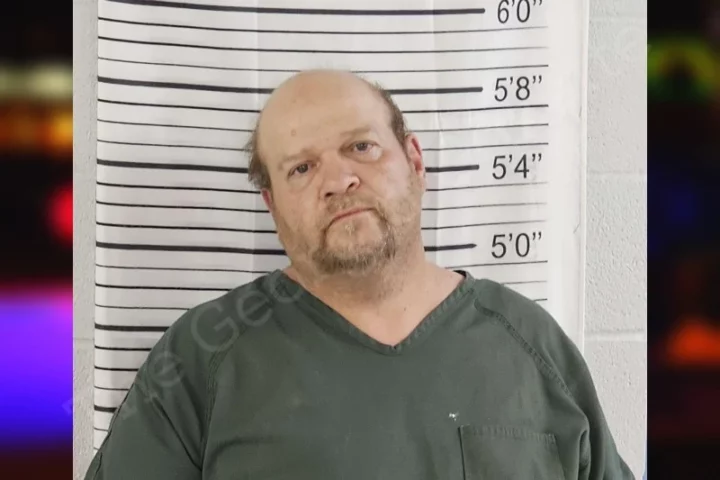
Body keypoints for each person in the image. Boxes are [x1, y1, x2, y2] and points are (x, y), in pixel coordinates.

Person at [85, 70, 635, 479]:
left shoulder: (532, 346)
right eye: (302, 168)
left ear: (414, 160)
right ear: (273, 207)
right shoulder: (199, 358)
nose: (338, 179)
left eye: (361, 147)